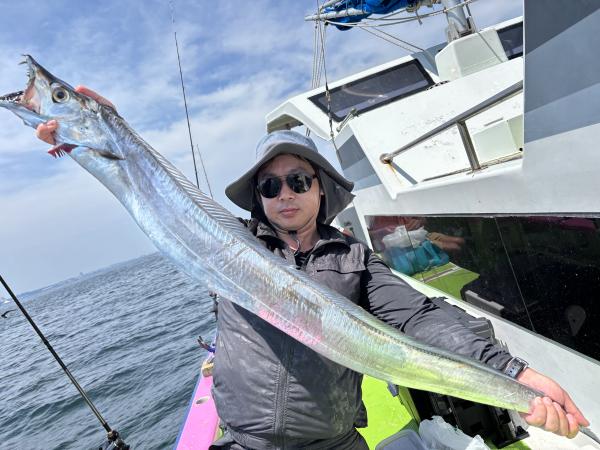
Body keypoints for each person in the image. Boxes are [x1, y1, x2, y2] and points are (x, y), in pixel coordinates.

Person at [37, 89, 589, 449]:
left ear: (320, 190)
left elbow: (422, 316)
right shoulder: (228, 247)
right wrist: (102, 132)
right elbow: (149, 191)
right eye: (270, 185)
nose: (285, 194)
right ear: (259, 197)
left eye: (298, 181)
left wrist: (514, 374)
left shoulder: (356, 261)